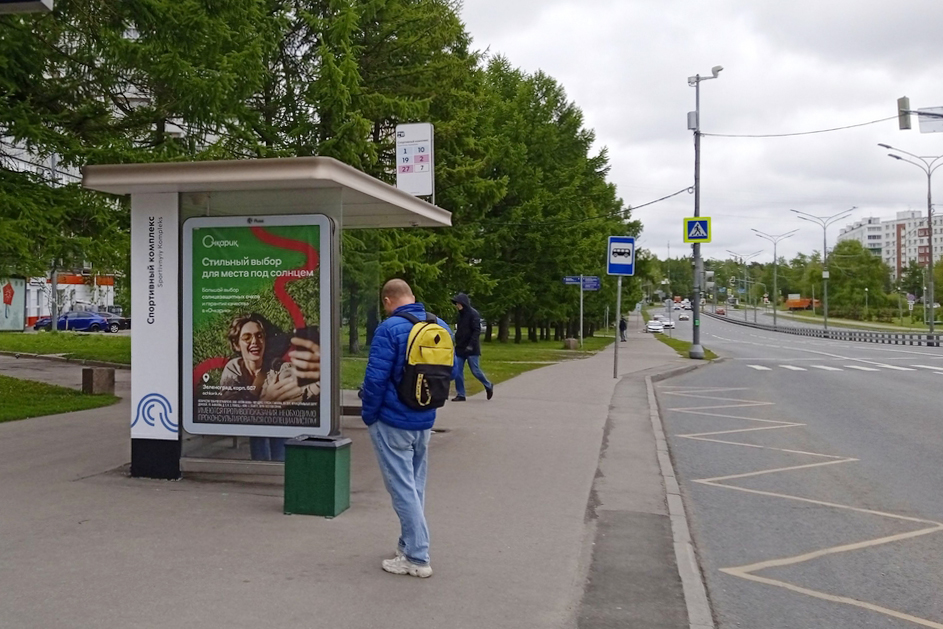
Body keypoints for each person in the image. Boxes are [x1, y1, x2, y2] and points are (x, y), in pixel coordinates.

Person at [361, 279, 452, 578]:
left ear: (387, 301)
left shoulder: (389, 329)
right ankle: (407, 544)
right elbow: (448, 373)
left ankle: (417, 556)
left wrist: (369, 415)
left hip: (392, 420)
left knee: (401, 488)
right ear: (411, 296)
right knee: (414, 486)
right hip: (424, 418)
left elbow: (375, 379)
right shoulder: (440, 326)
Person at [219, 313, 321, 461]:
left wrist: (320, 382)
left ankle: (278, 467)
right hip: (255, 425)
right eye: (247, 338)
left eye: (259, 336)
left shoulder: (279, 368)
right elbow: (228, 409)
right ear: (236, 345)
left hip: (280, 425)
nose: (254, 341)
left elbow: (303, 390)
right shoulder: (234, 368)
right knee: (259, 428)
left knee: (278, 425)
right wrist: (265, 403)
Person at [450, 292, 493, 402]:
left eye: (458, 303)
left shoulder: (473, 314)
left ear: (463, 303)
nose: (457, 306)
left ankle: (488, 385)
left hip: (471, 347)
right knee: (457, 371)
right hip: (460, 347)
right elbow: (460, 330)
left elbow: (476, 331)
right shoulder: (460, 315)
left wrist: (470, 345)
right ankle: (461, 394)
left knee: (475, 370)